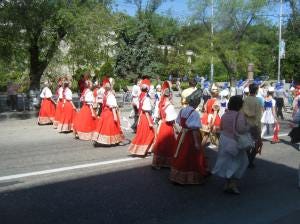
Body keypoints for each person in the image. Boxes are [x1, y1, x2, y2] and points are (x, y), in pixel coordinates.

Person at [169, 89, 209, 185]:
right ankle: (189, 177)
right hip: (190, 137)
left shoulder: (183, 109)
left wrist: (181, 130)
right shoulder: (194, 113)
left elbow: (178, 122)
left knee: (180, 154)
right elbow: (194, 129)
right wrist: (196, 142)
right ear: (196, 103)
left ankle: (177, 176)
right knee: (189, 156)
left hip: (182, 135)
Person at [212, 96, 250, 195]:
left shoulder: (225, 115)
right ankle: (233, 185)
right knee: (240, 162)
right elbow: (241, 129)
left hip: (224, 140)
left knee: (227, 162)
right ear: (240, 105)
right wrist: (248, 126)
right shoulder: (240, 115)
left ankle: (227, 183)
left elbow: (221, 127)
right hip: (234, 141)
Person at [152, 81, 177, 169]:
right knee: (169, 145)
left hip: (161, 125)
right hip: (167, 127)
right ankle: (168, 163)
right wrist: (177, 129)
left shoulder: (160, 104)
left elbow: (158, 115)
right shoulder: (170, 106)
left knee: (160, 145)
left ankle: (158, 163)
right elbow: (171, 120)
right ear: (169, 95)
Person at [92, 78, 124, 146]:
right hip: (110, 113)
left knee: (102, 127)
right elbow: (112, 106)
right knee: (113, 127)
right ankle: (117, 140)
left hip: (104, 112)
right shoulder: (110, 95)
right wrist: (115, 116)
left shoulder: (105, 94)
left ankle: (99, 139)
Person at [128, 79, 155, 156]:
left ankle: (146, 149)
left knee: (143, 133)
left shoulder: (141, 96)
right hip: (145, 118)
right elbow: (146, 110)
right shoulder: (146, 98)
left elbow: (138, 105)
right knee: (149, 133)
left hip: (141, 116)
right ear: (147, 89)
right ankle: (144, 150)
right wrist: (150, 122)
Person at [242, 83, 263, 168]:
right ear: (257, 90)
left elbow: (243, 112)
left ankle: (248, 159)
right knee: (257, 144)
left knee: (247, 143)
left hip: (246, 125)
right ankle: (250, 160)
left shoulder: (245, 99)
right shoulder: (258, 101)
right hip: (255, 125)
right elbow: (258, 116)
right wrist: (259, 129)